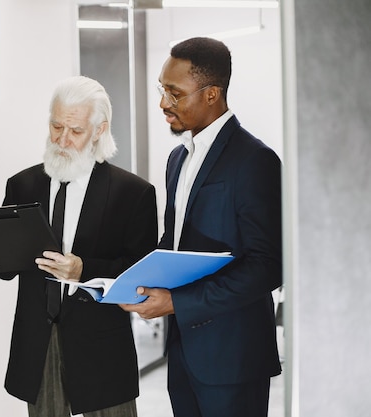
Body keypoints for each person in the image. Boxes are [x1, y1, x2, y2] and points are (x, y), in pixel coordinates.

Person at [120, 37, 282, 417]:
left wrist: (177, 302)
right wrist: (132, 284)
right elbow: (174, 244)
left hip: (233, 360)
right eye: (163, 90)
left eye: (175, 94)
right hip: (182, 354)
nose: (163, 103)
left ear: (212, 95)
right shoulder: (178, 159)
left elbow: (268, 265)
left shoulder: (255, 160)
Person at [0, 75, 158, 417]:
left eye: (75, 131)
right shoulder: (22, 185)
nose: (62, 140)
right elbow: (5, 267)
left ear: (99, 130)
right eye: (56, 126)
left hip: (102, 350)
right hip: (37, 346)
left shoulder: (133, 194)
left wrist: (84, 269)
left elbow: (140, 274)